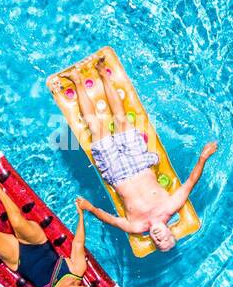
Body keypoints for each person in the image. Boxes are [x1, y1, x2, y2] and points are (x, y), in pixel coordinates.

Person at [61, 55, 216, 252]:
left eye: (158, 244)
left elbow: (109, 219)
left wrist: (89, 208)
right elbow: (190, 183)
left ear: (153, 241)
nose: (160, 239)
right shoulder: (171, 207)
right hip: (140, 162)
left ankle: (76, 79)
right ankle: (102, 73)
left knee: (95, 126)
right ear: (170, 231)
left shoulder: (135, 227)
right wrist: (203, 157)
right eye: (166, 239)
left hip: (116, 173)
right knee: (121, 118)